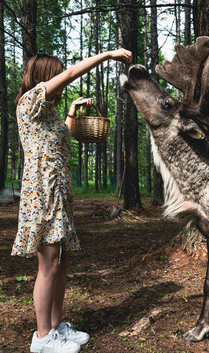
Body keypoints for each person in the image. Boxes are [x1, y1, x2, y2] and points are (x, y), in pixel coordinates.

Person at [12, 48, 133, 353]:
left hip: (59, 192)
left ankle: (55, 327)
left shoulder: (49, 112)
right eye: (57, 73)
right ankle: (42, 339)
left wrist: (71, 112)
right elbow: (69, 75)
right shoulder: (31, 101)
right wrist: (107, 55)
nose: (62, 78)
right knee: (48, 264)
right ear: (44, 76)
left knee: (61, 262)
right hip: (41, 194)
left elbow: (62, 139)